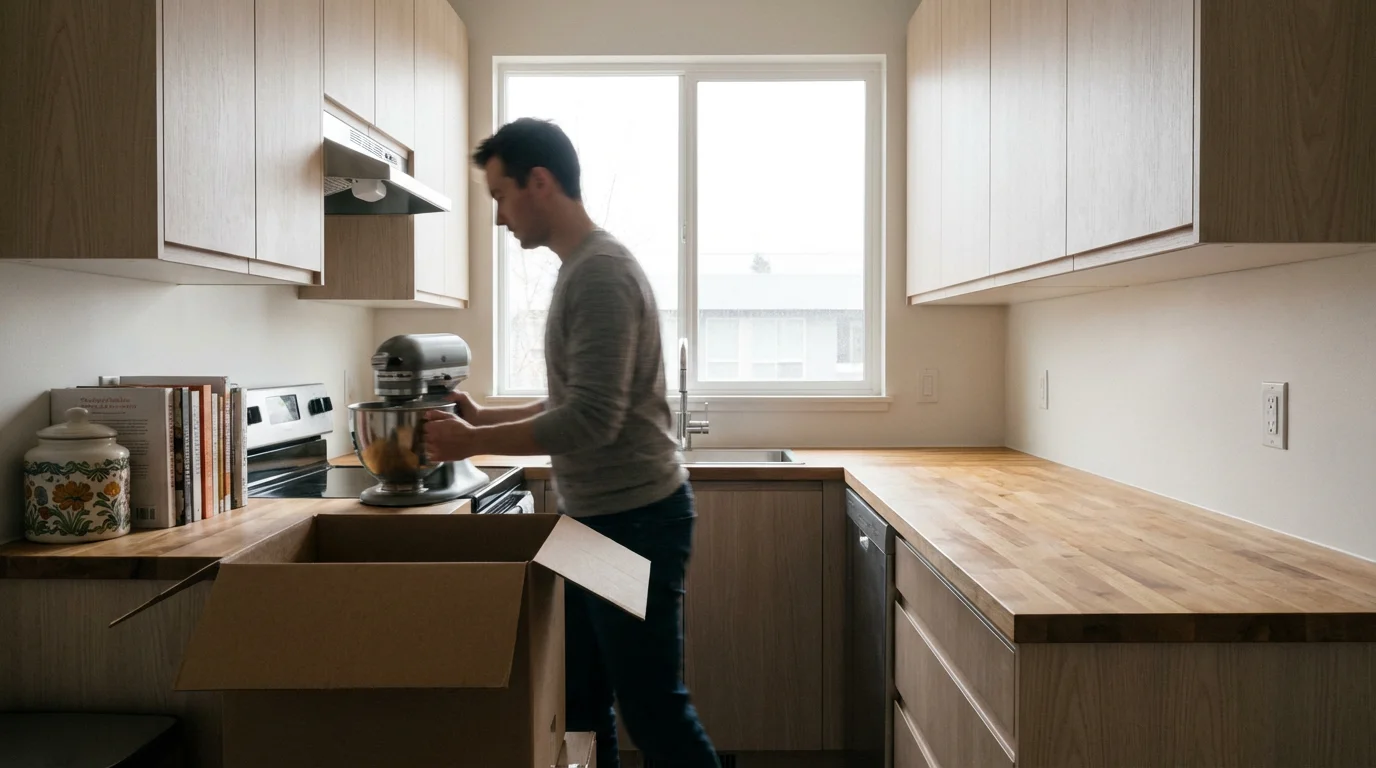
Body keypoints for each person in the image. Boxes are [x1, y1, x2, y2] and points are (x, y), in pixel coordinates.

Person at [423, 117, 720, 768]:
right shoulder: (580, 269)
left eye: (500, 196)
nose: (499, 217)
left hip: (635, 522)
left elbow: (592, 420)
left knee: (652, 709)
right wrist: (486, 416)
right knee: (582, 700)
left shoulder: (600, 275)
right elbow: (575, 400)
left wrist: (473, 442)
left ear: (540, 181)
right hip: (597, 520)